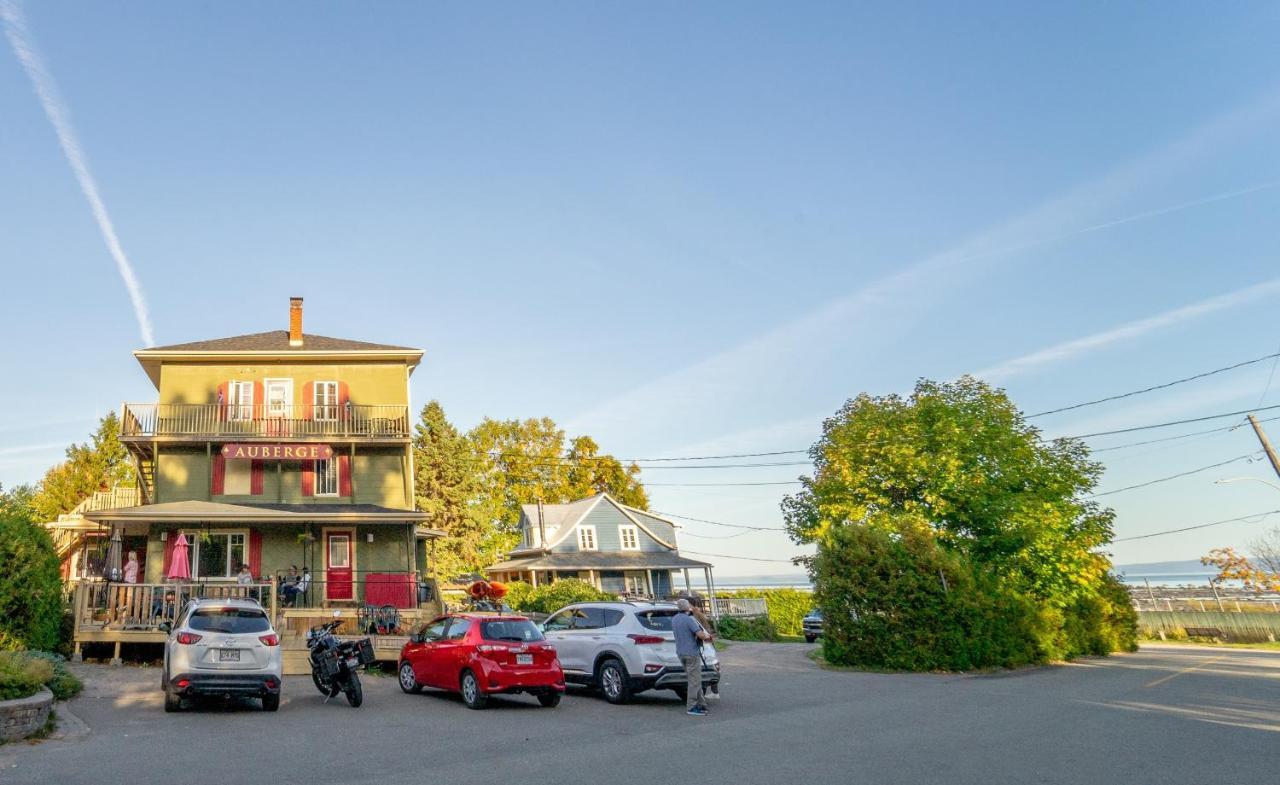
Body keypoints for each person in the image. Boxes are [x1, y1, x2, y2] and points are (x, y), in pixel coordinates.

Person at [672, 598, 713, 717]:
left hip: (680, 653)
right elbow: (700, 634)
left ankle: (701, 703)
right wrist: (708, 638)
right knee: (694, 681)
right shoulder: (689, 619)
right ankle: (691, 706)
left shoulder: (674, 619)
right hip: (692, 653)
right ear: (687, 607)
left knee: (694, 679)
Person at [688, 596, 720, 700]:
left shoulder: (694, 615)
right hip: (707, 640)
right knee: (710, 665)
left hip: (703, 642)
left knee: (704, 666)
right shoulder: (698, 613)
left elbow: (696, 629)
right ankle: (714, 691)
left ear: (691, 605)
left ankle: (712, 691)